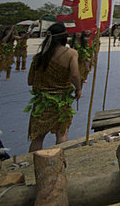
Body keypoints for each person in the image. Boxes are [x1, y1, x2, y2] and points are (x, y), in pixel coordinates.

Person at [25, 22, 82, 152]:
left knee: (38, 137)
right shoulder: (71, 53)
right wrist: (78, 89)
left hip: (42, 102)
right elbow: (74, 75)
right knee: (61, 133)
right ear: (64, 37)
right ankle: (60, 161)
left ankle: (34, 163)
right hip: (61, 100)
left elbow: (30, 81)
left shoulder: (39, 57)